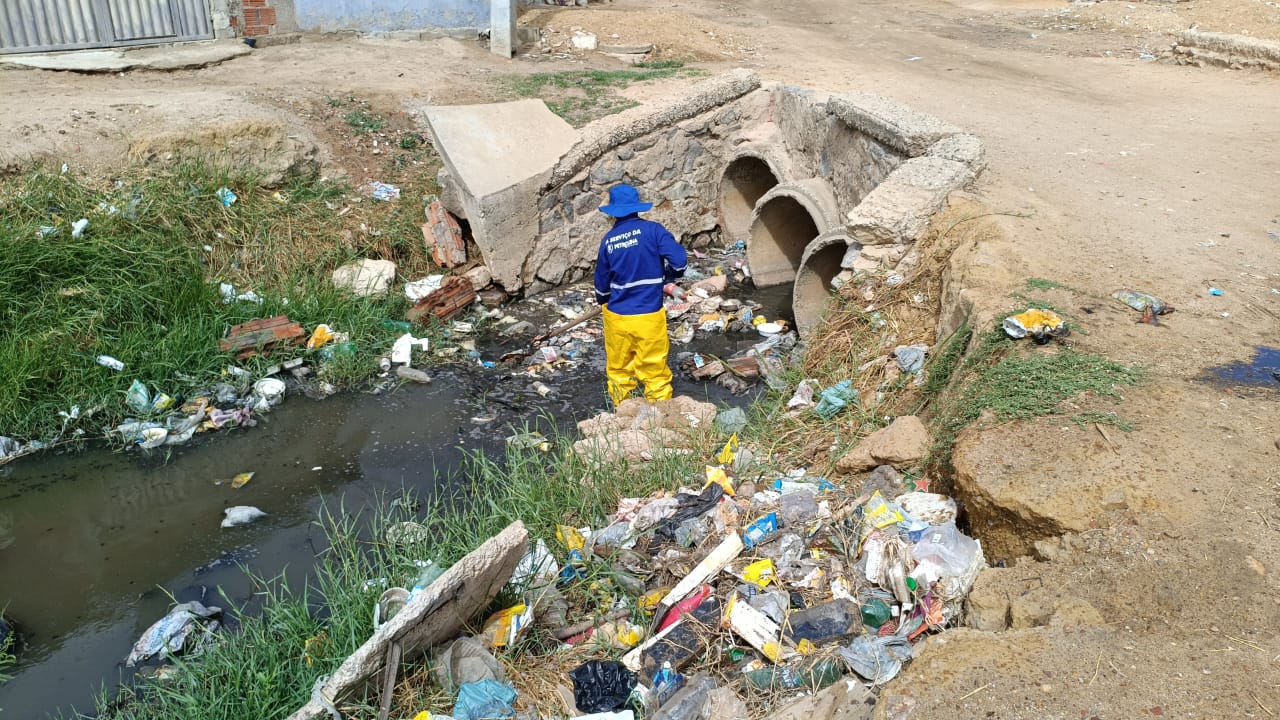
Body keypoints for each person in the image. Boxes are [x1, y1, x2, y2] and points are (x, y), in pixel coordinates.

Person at [593, 184, 687, 405]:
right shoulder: (653, 231)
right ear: (637, 208)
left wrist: (605, 302)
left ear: (613, 213)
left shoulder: (608, 241)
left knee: (619, 370)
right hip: (648, 316)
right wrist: (668, 276)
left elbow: (601, 288)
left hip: (617, 318)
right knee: (654, 371)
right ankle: (659, 418)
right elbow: (680, 262)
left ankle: (622, 415)